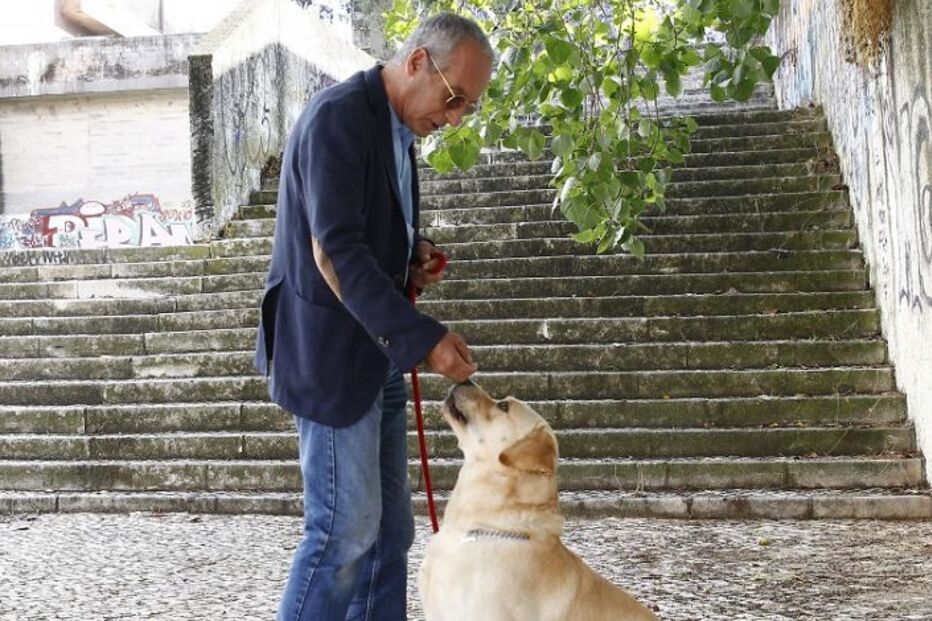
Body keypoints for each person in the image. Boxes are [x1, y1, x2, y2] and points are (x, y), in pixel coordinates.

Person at [253, 12, 494, 621]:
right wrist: (425, 338)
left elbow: (369, 232)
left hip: (377, 352)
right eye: (454, 98)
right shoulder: (338, 117)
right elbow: (334, 251)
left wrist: (413, 257)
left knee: (390, 533)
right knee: (344, 532)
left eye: (468, 107)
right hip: (331, 356)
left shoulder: (398, 129)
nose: (455, 118)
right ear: (416, 61)